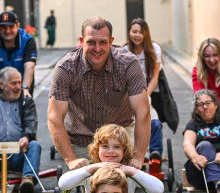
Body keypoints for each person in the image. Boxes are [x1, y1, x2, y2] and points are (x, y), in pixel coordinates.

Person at [47, 16, 150, 171]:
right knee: (92, 191)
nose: (97, 48)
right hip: (81, 137)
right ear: (81, 41)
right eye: (91, 42)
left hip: (120, 136)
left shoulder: (128, 64)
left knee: (122, 188)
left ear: (111, 41)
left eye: (102, 42)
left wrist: (138, 158)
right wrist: (71, 160)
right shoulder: (65, 68)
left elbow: (143, 113)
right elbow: (55, 118)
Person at [58, 124, 164, 193]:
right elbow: (63, 184)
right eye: (105, 146)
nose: (110, 151)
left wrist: (131, 171)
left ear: (124, 150)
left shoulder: (128, 172)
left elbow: (158, 189)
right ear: (97, 149)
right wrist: (92, 168)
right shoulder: (91, 172)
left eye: (117, 147)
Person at [123, 18, 163, 160]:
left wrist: (146, 96)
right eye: (134, 32)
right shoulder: (125, 50)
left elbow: (155, 76)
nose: (137, 35)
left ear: (146, 34)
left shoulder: (154, 49)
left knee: (154, 122)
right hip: (129, 93)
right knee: (131, 123)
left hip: (148, 91)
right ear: (129, 33)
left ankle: (155, 154)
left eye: (141, 32)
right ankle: (131, 152)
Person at [0, 11, 37, 100]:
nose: (7, 31)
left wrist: (25, 88)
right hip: (0, 90)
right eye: (3, 27)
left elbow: (30, 66)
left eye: (11, 27)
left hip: (20, 88)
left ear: (17, 26)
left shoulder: (27, 41)